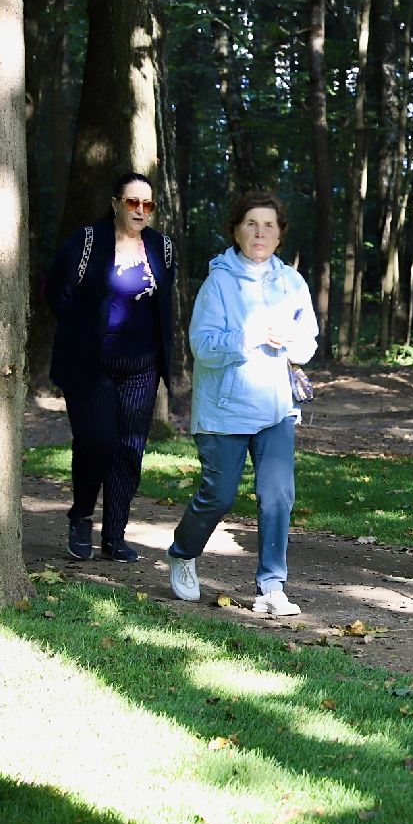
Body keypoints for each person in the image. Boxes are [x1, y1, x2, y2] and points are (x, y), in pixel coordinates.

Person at [164, 191, 318, 616]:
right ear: (235, 230)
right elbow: (203, 347)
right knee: (219, 495)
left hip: (275, 410)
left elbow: (307, 345)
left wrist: (291, 341)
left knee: (278, 496)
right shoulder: (219, 282)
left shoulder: (292, 282)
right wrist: (251, 335)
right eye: (251, 223)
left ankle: (271, 587)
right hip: (224, 410)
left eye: (269, 224)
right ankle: (182, 551)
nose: (260, 232)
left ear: (280, 235)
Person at [45, 171, 175, 562]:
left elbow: (164, 305)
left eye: (147, 204)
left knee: (129, 450)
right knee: (98, 441)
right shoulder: (88, 240)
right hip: (92, 363)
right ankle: (81, 516)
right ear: (116, 203)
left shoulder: (161, 247)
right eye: (132, 202)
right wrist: (82, 332)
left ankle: (115, 536)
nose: (140, 210)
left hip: (142, 366)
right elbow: (55, 291)